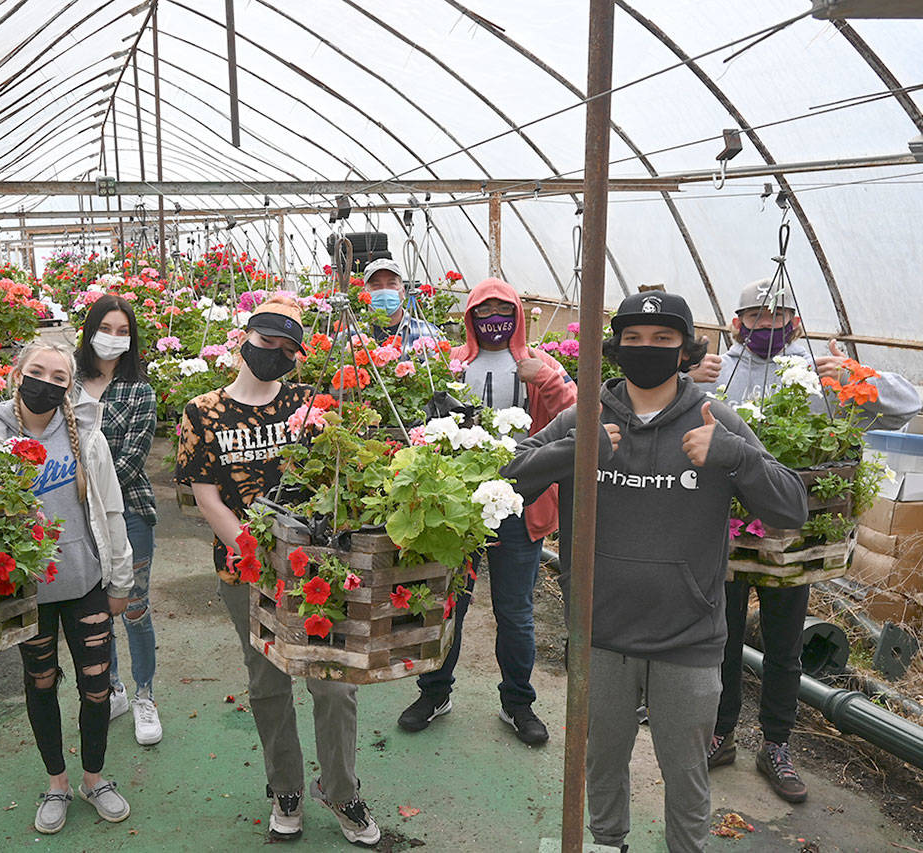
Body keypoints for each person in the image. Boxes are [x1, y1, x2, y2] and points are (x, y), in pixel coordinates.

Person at [504, 291, 808, 853]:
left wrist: (735, 455)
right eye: (634, 339)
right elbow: (506, 476)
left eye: (663, 339)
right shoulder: (586, 415)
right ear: (615, 347)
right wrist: (576, 451)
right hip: (598, 633)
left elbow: (792, 509)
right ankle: (607, 844)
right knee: (603, 759)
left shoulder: (715, 419)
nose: (647, 349)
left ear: (685, 348)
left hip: (687, 638)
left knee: (686, 772)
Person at [690, 280, 922, 802]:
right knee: (719, 640)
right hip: (723, 536)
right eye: (756, 317)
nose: (767, 327)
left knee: (784, 646)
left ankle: (776, 744)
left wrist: (857, 376)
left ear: (795, 324)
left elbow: (907, 406)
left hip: (793, 539)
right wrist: (689, 377)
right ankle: (720, 732)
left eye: (778, 318)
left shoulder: (819, 373)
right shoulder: (717, 372)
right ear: (736, 323)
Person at [176, 294, 381, 847]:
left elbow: (334, 478)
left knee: (333, 682)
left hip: (316, 568)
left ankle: (341, 789)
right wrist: (250, 550)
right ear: (246, 338)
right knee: (268, 681)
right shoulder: (202, 411)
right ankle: (284, 786)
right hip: (245, 569)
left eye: (290, 349)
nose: (278, 355)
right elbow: (205, 493)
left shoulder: (309, 404)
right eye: (269, 343)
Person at [397, 278, 576, 744]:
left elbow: (575, 415)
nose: (493, 318)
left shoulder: (539, 365)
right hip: (456, 507)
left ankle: (518, 703)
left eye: (502, 309)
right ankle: (435, 692)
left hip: (521, 505)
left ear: (517, 313)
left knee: (515, 611)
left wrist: (548, 380)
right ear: (470, 316)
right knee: (448, 602)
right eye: (483, 310)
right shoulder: (451, 364)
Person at [0, 340, 135, 835]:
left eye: (58, 377)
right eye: (36, 371)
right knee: (41, 683)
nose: (45, 382)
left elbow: (110, 509)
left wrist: (121, 580)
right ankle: (56, 783)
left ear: (69, 386)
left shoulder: (86, 437)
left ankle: (94, 778)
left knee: (96, 682)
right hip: (28, 590)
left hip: (85, 580)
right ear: (16, 374)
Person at [75, 294, 163, 746]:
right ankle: (113, 689)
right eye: (105, 328)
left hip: (127, 510)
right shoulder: (67, 384)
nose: (113, 338)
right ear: (90, 331)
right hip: (74, 517)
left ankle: (146, 694)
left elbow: (131, 460)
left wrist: (82, 487)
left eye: (122, 331)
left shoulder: (139, 391)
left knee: (132, 605)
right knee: (94, 607)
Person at [361, 258, 442, 349]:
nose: (384, 290)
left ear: (403, 291)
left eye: (391, 284)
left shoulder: (429, 333)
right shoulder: (352, 335)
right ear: (364, 293)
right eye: (376, 285)